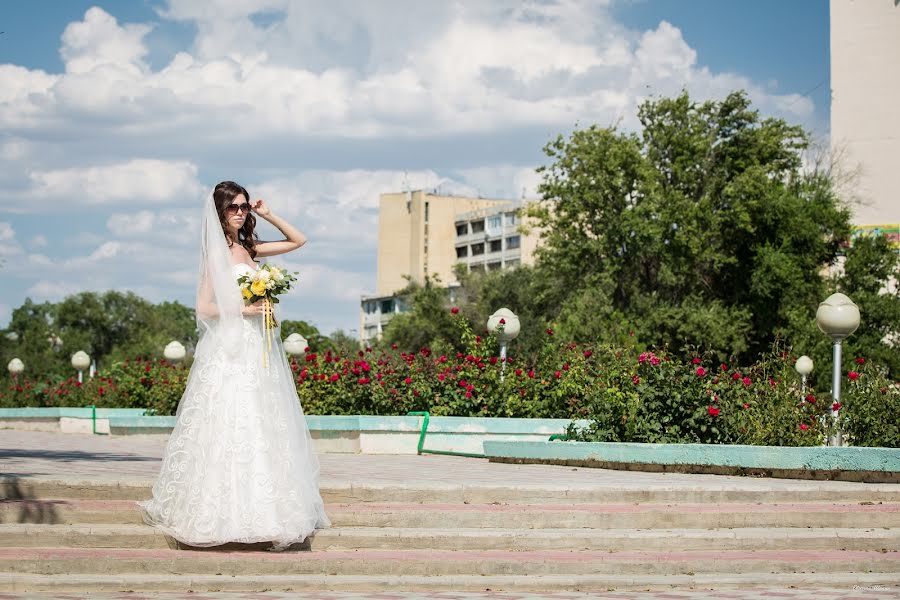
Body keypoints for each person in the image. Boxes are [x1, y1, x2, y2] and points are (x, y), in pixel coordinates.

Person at [139, 181, 329, 551]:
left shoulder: (250, 248)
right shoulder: (217, 254)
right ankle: (218, 513)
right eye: (233, 208)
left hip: (257, 345)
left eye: (244, 207)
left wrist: (267, 213)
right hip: (229, 347)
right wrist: (246, 308)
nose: (240, 212)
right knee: (229, 418)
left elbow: (298, 240)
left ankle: (268, 512)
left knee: (262, 419)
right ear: (219, 212)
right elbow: (204, 308)